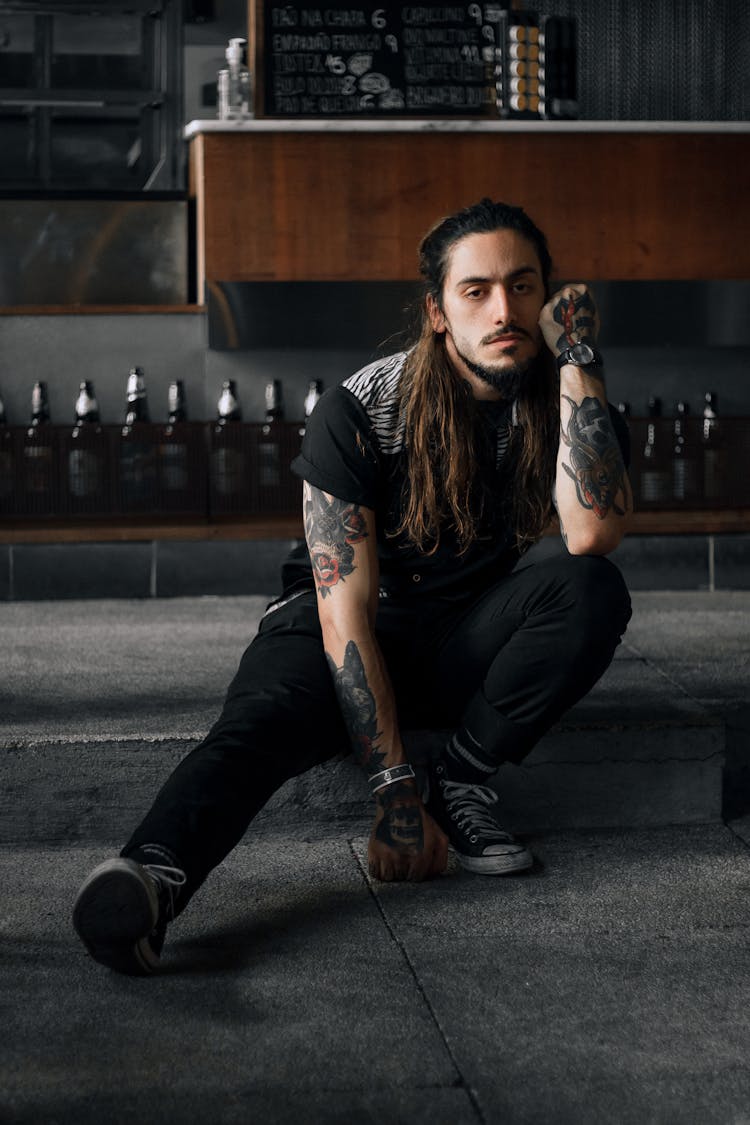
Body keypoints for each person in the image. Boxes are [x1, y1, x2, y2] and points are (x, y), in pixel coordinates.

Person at [73, 198, 633, 975]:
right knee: (261, 722)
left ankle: (462, 782)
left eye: (524, 286)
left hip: (460, 633)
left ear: (549, 299)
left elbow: (592, 535)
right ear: (438, 312)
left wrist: (580, 355)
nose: (504, 309)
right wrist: (392, 788)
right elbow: (346, 613)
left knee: (591, 589)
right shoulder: (363, 407)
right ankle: (150, 877)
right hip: (333, 628)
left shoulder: (569, 394)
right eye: (476, 290)